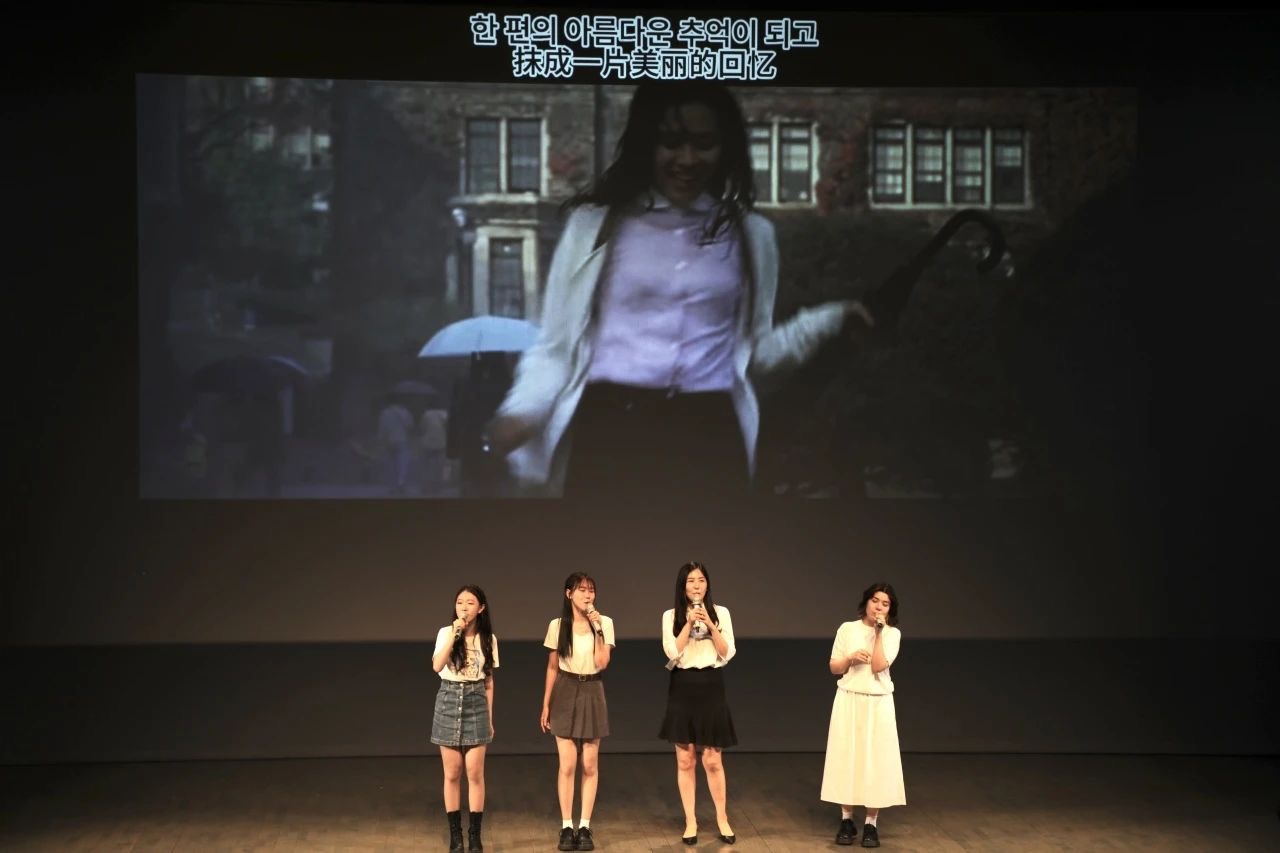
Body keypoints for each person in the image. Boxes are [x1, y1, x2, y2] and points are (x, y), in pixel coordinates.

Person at [485, 81, 875, 499]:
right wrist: (521, 412)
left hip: (709, 432)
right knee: (607, 543)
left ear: (725, 148)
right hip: (611, 431)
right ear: (646, 144)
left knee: (708, 545)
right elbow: (556, 346)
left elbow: (755, 353)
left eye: (704, 144)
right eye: (670, 143)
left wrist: (829, 319)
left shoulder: (752, 235)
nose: (687, 160)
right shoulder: (593, 227)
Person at [820, 583, 906, 848]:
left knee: (876, 760)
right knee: (847, 757)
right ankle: (846, 819)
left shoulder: (892, 634)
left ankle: (871, 823)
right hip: (849, 698)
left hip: (878, 702)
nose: (878, 607)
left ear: (890, 609)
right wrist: (850, 658)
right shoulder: (847, 629)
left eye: (885, 604)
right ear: (866, 602)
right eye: (875, 601)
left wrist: (878, 633)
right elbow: (834, 667)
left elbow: (879, 665)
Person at [659, 561, 738, 845]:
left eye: (701, 580)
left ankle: (722, 817)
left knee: (713, 759)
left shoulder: (721, 612)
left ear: (707, 585)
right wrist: (689, 623)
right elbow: (671, 651)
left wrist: (711, 625)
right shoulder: (671, 615)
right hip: (683, 685)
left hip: (711, 685)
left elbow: (728, 652)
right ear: (683, 586)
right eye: (691, 581)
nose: (696, 585)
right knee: (685, 759)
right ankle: (690, 820)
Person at [540, 573, 615, 851]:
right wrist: (546, 704)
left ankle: (584, 826)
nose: (587, 595)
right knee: (568, 764)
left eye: (591, 590)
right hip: (565, 688)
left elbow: (602, 661)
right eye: (581, 589)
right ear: (568, 593)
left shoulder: (605, 622)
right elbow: (552, 667)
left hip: (592, 689)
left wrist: (598, 628)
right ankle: (566, 826)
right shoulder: (557, 625)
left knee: (590, 764)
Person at [431, 585, 499, 852]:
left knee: (475, 773)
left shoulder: (488, 639)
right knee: (452, 773)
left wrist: (489, 718)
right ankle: (456, 835)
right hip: (448, 700)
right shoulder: (445, 633)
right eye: (460, 602)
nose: (464, 607)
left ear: (481, 608)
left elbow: (489, 682)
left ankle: (475, 835)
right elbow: (437, 666)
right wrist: (454, 634)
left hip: (476, 702)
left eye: (470, 603)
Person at [377, 394, 415, 495]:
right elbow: (410, 426)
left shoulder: (384, 412)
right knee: (403, 464)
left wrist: (381, 439)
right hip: (402, 440)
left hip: (389, 441)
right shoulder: (405, 412)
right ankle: (401, 484)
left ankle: (392, 487)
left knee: (390, 465)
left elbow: (382, 427)